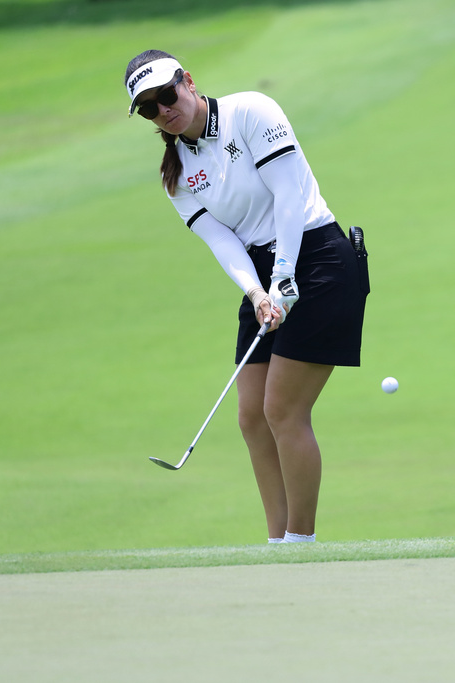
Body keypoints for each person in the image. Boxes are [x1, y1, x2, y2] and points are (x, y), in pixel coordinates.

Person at [124, 50, 369, 544]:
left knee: (281, 409)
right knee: (252, 415)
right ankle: (276, 543)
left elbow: (289, 198)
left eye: (167, 95)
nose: (164, 110)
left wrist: (284, 277)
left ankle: (300, 545)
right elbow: (222, 241)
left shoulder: (252, 111)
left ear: (188, 82)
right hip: (262, 273)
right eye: (149, 108)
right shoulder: (176, 175)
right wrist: (257, 292)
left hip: (318, 259)